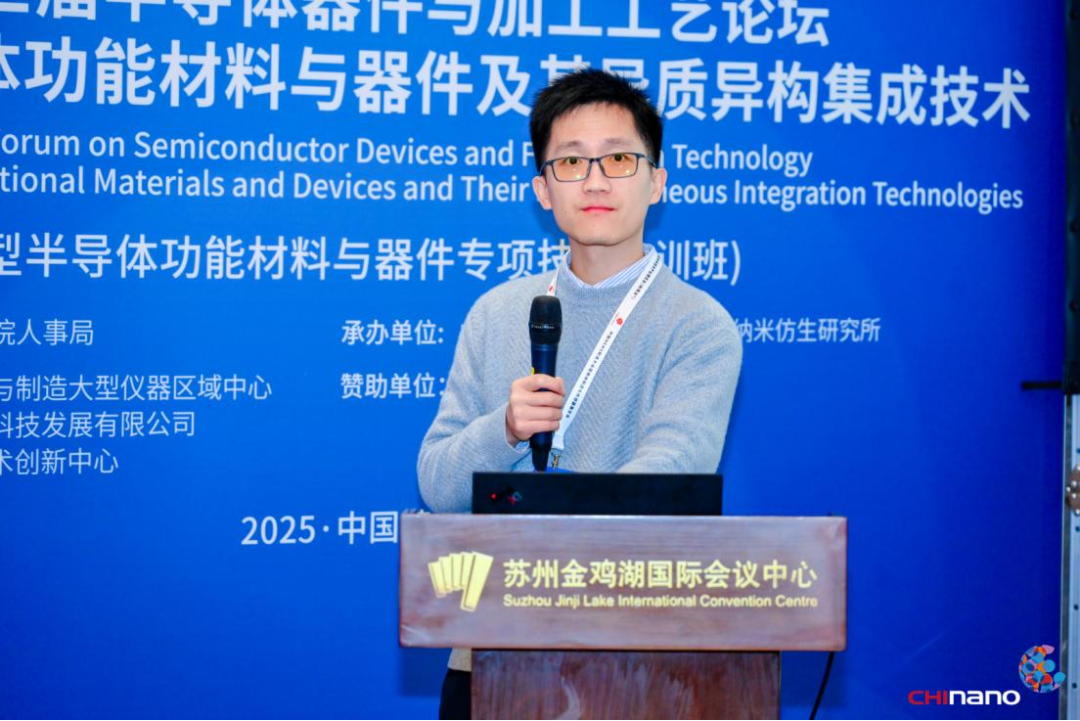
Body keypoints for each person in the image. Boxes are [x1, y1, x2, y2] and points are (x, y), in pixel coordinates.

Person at [416, 68, 742, 720]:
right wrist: (504, 429)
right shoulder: (496, 312)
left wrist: (550, 527)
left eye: (618, 159)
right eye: (570, 161)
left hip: (635, 663)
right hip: (492, 656)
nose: (595, 180)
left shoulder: (699, 324)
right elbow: (436, 484)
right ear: (543, 189)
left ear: (657, 181)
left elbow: (667, 480)